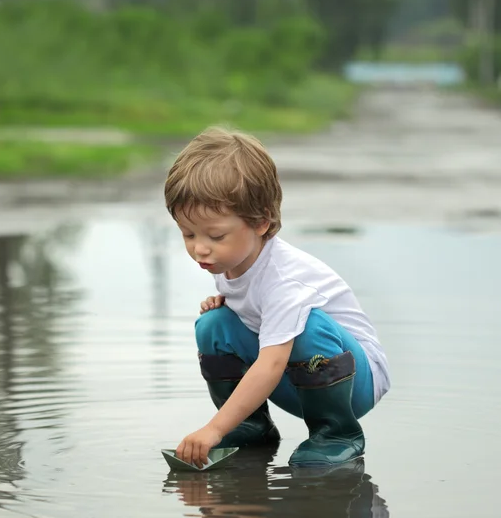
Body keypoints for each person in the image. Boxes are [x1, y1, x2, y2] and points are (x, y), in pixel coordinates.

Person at [164, 126, 390, 469]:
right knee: (213, 324)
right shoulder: (229, 259)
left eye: (215, 235)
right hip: (300, 378)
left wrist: (212, 429)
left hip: (354, 383)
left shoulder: (285, 281)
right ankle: (249, 426)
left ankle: (337, 434)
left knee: (307, 326)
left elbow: (270, 365)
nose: (199, 247)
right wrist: (227, 310)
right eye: (187, 233)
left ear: (260, 222)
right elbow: (250, 316)